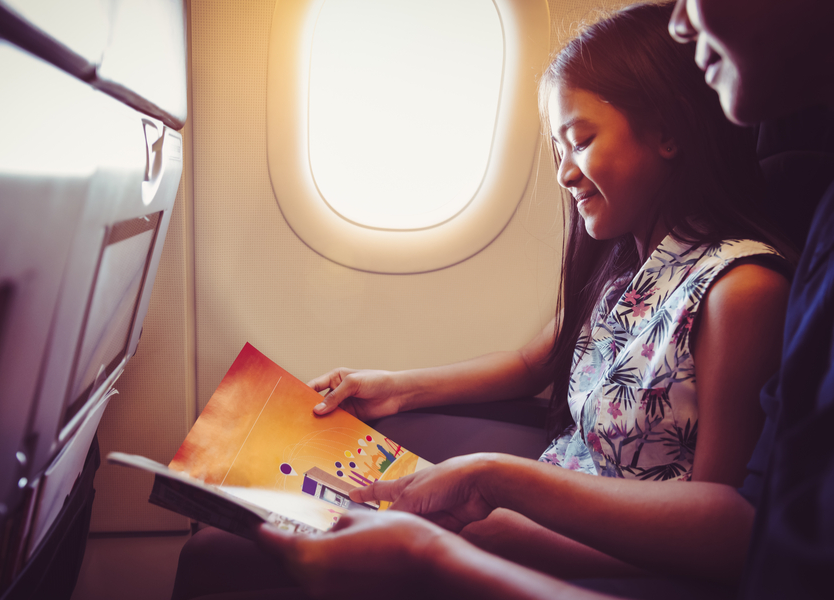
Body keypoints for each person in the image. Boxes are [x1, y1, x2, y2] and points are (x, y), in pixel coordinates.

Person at [251, 0, 834, 598]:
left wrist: (499, 531)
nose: (564, 173)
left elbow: (714, 538)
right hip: (544, 501)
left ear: (667, 133)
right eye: (559, 149)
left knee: (259, 556)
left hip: (608, 548)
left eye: (580, 141)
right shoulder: (631, 270)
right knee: (261, 525)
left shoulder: (739, 290)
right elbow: (535, 363)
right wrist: (394, 387)